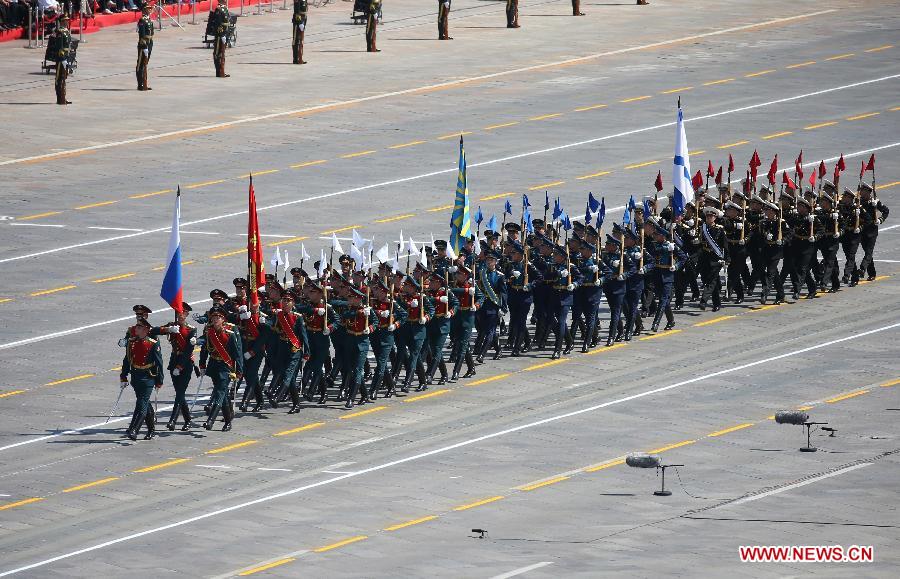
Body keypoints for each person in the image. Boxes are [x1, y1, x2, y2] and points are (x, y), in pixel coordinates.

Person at [152, 304, 197, 431]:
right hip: (174, 360)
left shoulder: (191, 329)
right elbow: (152, 331)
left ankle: (172, 420)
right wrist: (168, 330)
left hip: (186, 363)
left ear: (187, 315)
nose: (181, 315)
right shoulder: (172, 325)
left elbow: (189, 350)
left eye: (184, 313)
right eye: (179, 312)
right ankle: (188, 419)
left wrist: (180, 366)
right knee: (179, 393)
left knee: (180, 392)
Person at [199, 307, 243, 431]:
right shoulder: (209, 331)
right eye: (213, 317)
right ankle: (228, 422)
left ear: (223, 319)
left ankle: (210, 420)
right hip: (214, 365)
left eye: (218, 317)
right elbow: (204, 349)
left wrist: (239, 370)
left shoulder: (231, 331)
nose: (215, 319)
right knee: (222, 394)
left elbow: (237, 352)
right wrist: (202, 365)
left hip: (226, 366)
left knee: (219, 392)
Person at [119, 318, 164, 441]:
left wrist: (160, 380)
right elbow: (127, 360)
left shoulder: (152, 343)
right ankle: (151, 429)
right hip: (136, 376)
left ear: (145, 330)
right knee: (144, 402)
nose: (136, 329)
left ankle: (135, 430)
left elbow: (159, 363)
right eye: (136, 327)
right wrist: (123, 376)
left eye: (139, 327)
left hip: (148, 377)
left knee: (142, 404)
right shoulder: (131, 342)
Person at [856, 182, 888, 282]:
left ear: (868, 192)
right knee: (867, 252)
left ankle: (862, 268)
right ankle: (872, 273)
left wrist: (880, 220)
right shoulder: (858, 201)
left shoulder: (874, 202)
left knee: (869, 251)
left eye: (863, 190)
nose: (860, 192)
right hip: (861, 230)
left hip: (872, 230)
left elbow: (886, 211)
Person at [49, 13, 72, 105]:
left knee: (64, 78)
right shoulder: (60, 31)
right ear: (62, 21)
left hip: (66, 56)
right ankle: (60, 99)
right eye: (65, 20)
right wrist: (62, 58)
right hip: (61, 58)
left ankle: (63, 97)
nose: (67, 22)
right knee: (59, 78)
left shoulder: (66, 31)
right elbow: (59, 46)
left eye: (67, 20)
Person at [211, 0, 230, 77]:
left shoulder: (224, 8)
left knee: (222, 53)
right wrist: (222, 35)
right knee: (217, 53)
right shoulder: (218, 9)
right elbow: (218, 23)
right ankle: (218, 72)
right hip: (219, 35)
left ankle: (222, 70)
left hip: (225, 33)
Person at [136, 4, 153, 91]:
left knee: (145, 64)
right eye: (148, 8)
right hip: (144, 44)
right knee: (140, 65)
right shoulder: (142, 20)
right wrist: (145, 46)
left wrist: (150, 44)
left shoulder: (149, 20)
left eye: (150, 8)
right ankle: (140, 84)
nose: (150, 9)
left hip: (149, 43)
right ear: (144, 10)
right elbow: (142, 35)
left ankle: (144, 82)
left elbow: (151, 33)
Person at [292, 0, 307, 64]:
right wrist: (300, 22)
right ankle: (296, 59)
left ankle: (300, 57)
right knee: (296, 40)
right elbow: (296, 11)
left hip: (304, 18)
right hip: (298, 20)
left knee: (301, 40)